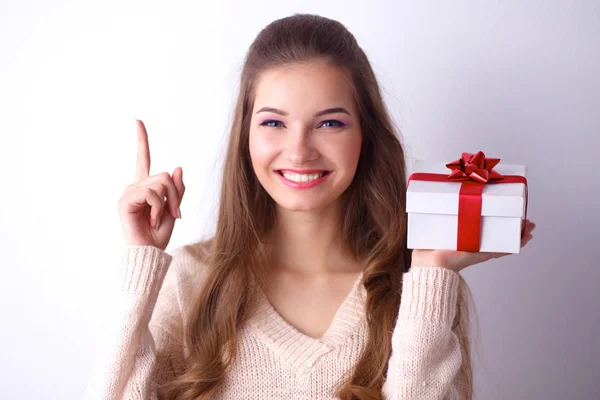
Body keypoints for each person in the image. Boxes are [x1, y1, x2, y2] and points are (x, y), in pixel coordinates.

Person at [84, 13, 535, 400]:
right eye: (274, 122)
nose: (299, 151)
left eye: (330, 123)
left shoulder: (421, 289)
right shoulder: (187, 281)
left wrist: (433, 270)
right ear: (247, 136)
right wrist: (140, 266)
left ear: (366, 136)